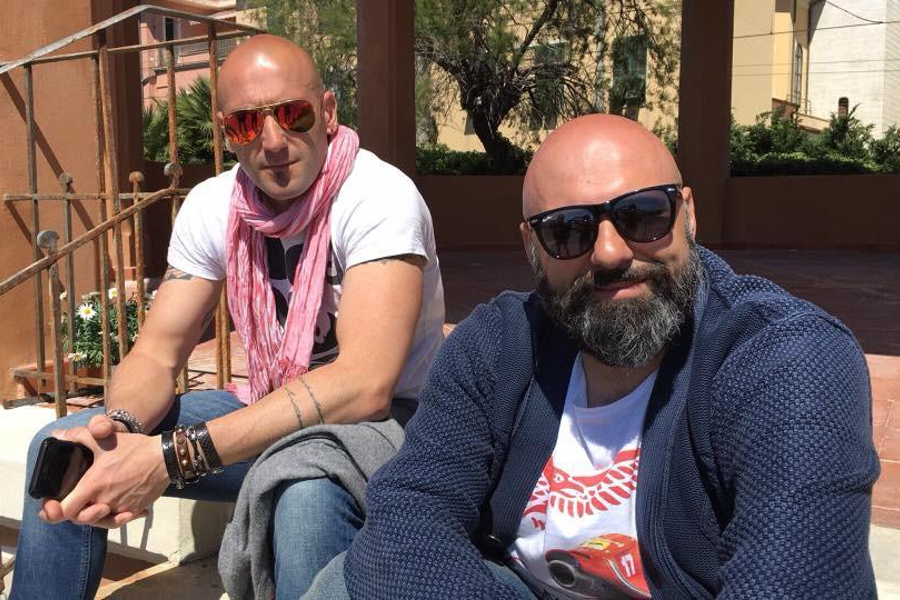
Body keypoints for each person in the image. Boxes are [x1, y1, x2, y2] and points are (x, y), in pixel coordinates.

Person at [306, 114, 879, 599]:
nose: (609, 252)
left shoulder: (789, 360)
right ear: (532, 246)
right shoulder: (499, 345)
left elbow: (797, 582)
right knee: (341, 581)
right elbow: (407, 517)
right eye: (569, 230)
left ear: (688, 214)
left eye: (643, 214)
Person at [11, 34, 444, 600]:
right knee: (66, 449)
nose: (273, 141)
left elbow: (366, 385)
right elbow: (156, 352)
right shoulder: (215, 205)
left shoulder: (379, 196)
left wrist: (171, 457)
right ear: (225, 132)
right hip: (272, 403)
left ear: (328, 112)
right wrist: (120, 432)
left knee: (304, 496)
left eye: (293, 114)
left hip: (390, 424)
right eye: (245, 124)